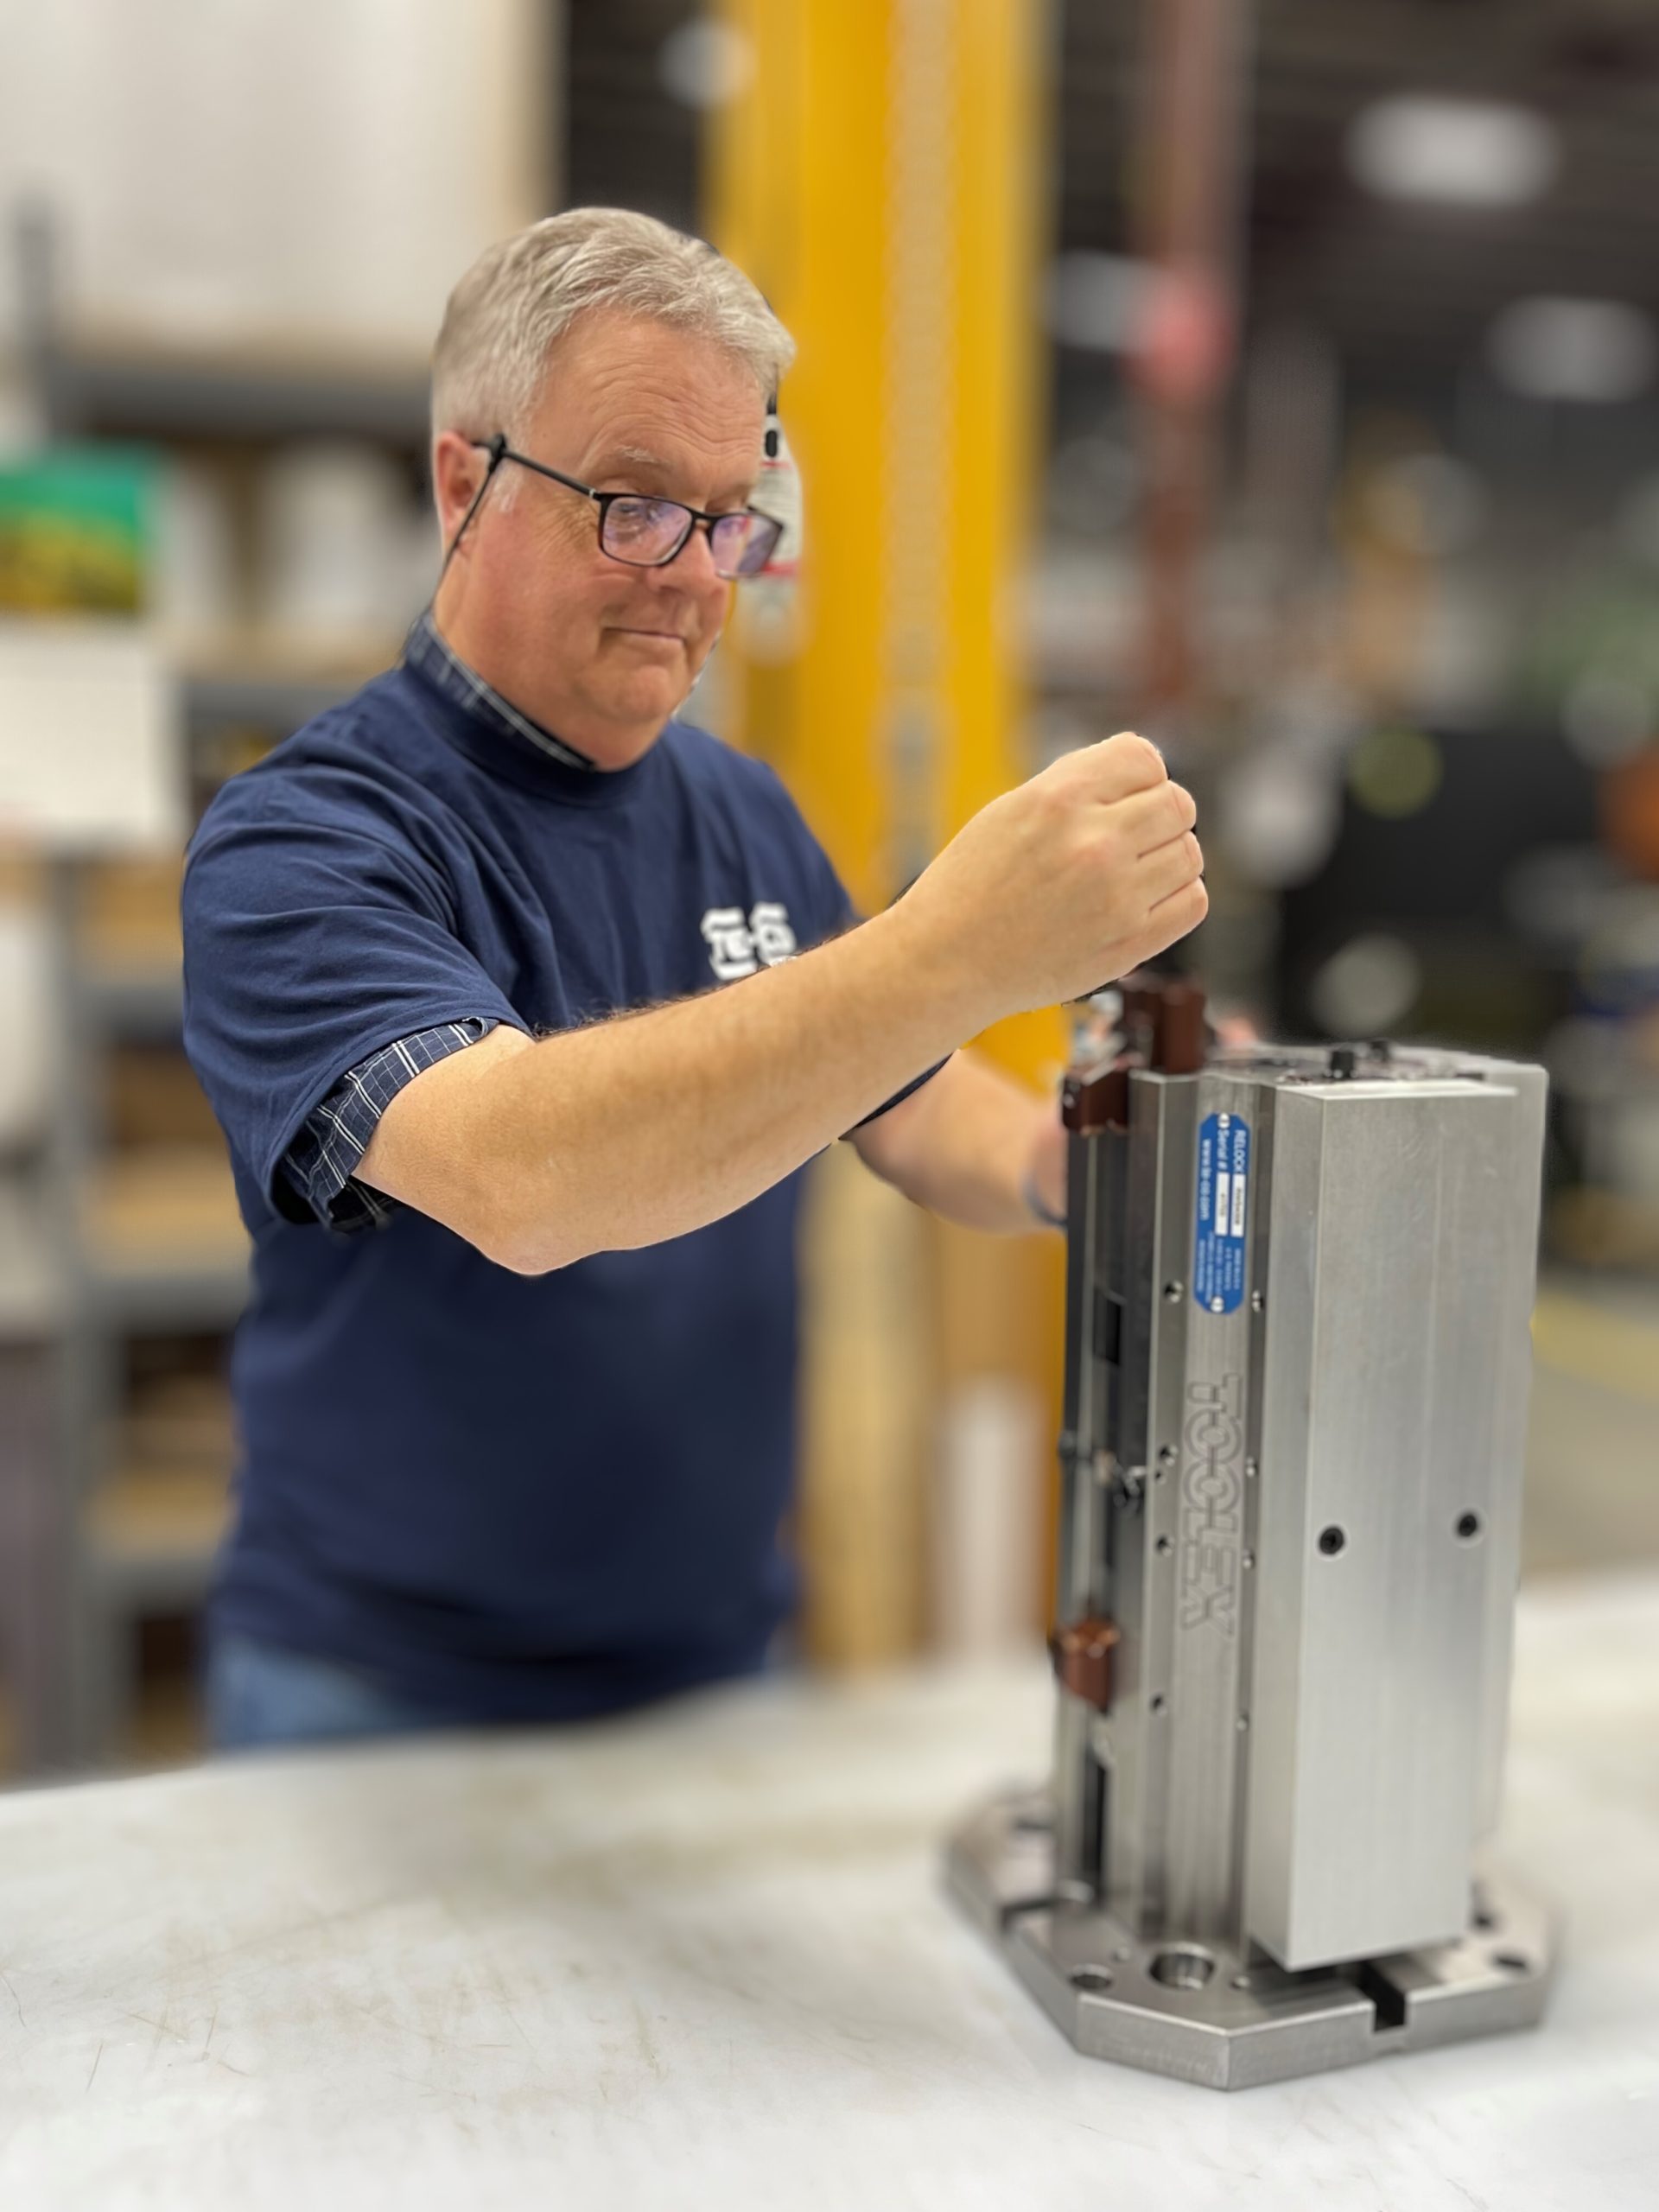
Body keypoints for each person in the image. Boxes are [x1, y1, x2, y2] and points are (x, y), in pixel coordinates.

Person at [181, 208, 1206, 1750]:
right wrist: (957, 945)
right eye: (637, 506)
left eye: (735, 516)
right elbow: (519, 1175)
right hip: (382, 1698)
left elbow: (912, 1106)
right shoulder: (308, 843)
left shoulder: (743, 812)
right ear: (464, 482)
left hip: (713, 1662)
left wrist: (1104, 1154)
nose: (699, 577)